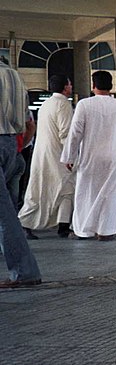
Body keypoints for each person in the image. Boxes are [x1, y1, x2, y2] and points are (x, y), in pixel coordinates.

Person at [60, 71, 116, 241]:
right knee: (111, 193)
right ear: (111, 86)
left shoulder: (84, 105)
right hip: (115, 156)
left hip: (91, 155)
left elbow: (75, 132)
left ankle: (84, 230)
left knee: (86, 191)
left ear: (93, 86)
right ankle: (106, 231)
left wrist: (69, 157)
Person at [0, 58, 42, 288]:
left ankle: (25, 271)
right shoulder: (15, 76)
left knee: (5, 214)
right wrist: (18, 148)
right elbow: (29, 123)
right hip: (9, 146)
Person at [18, 74, 75, 239]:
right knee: (66, 189)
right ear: (65, 87)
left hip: (42, 153)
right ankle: (28, 222)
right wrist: (70, 156)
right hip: (57, 155)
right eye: (69, 84)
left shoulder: (46, 104)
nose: (71, 87)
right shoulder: (63, 104)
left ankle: (59, 226)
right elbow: (65, 133)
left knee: (39, 190)